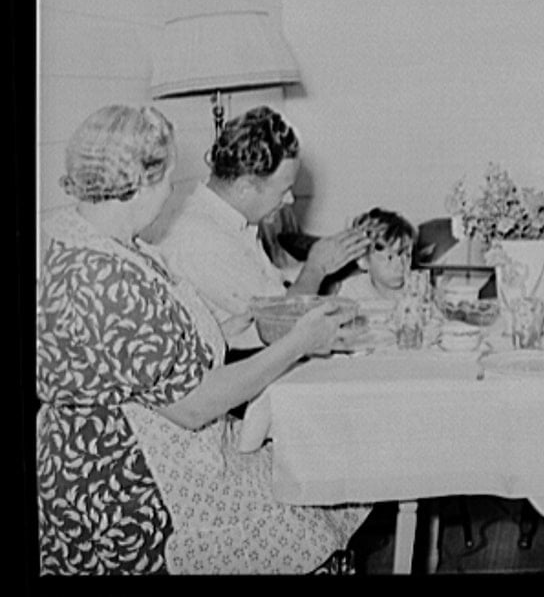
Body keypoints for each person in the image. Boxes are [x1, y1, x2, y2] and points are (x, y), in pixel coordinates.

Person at [36, 105, 370, 574]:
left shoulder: (106, 246)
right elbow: (192, 406)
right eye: (169, 177)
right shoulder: (104, 278)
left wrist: (261, 329)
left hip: (169, 451)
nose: (173, 190)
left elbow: (171, 356)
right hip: (125, 488)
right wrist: (297, 343)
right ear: (141, 183)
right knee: (308, 517)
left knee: (312, 483)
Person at [159, 105, 379, 353]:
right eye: (283, 190)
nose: (290, 200)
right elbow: (285, 326)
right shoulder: (203, 241)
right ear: (245, 186)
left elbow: (273, 289)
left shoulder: (228, 222)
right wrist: (316, 268)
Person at [328, 207, 417, 303]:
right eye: (389, 257)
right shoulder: (352, 291)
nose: (400, 265)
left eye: (406, 255)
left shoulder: (417, 288)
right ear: (364, 261)